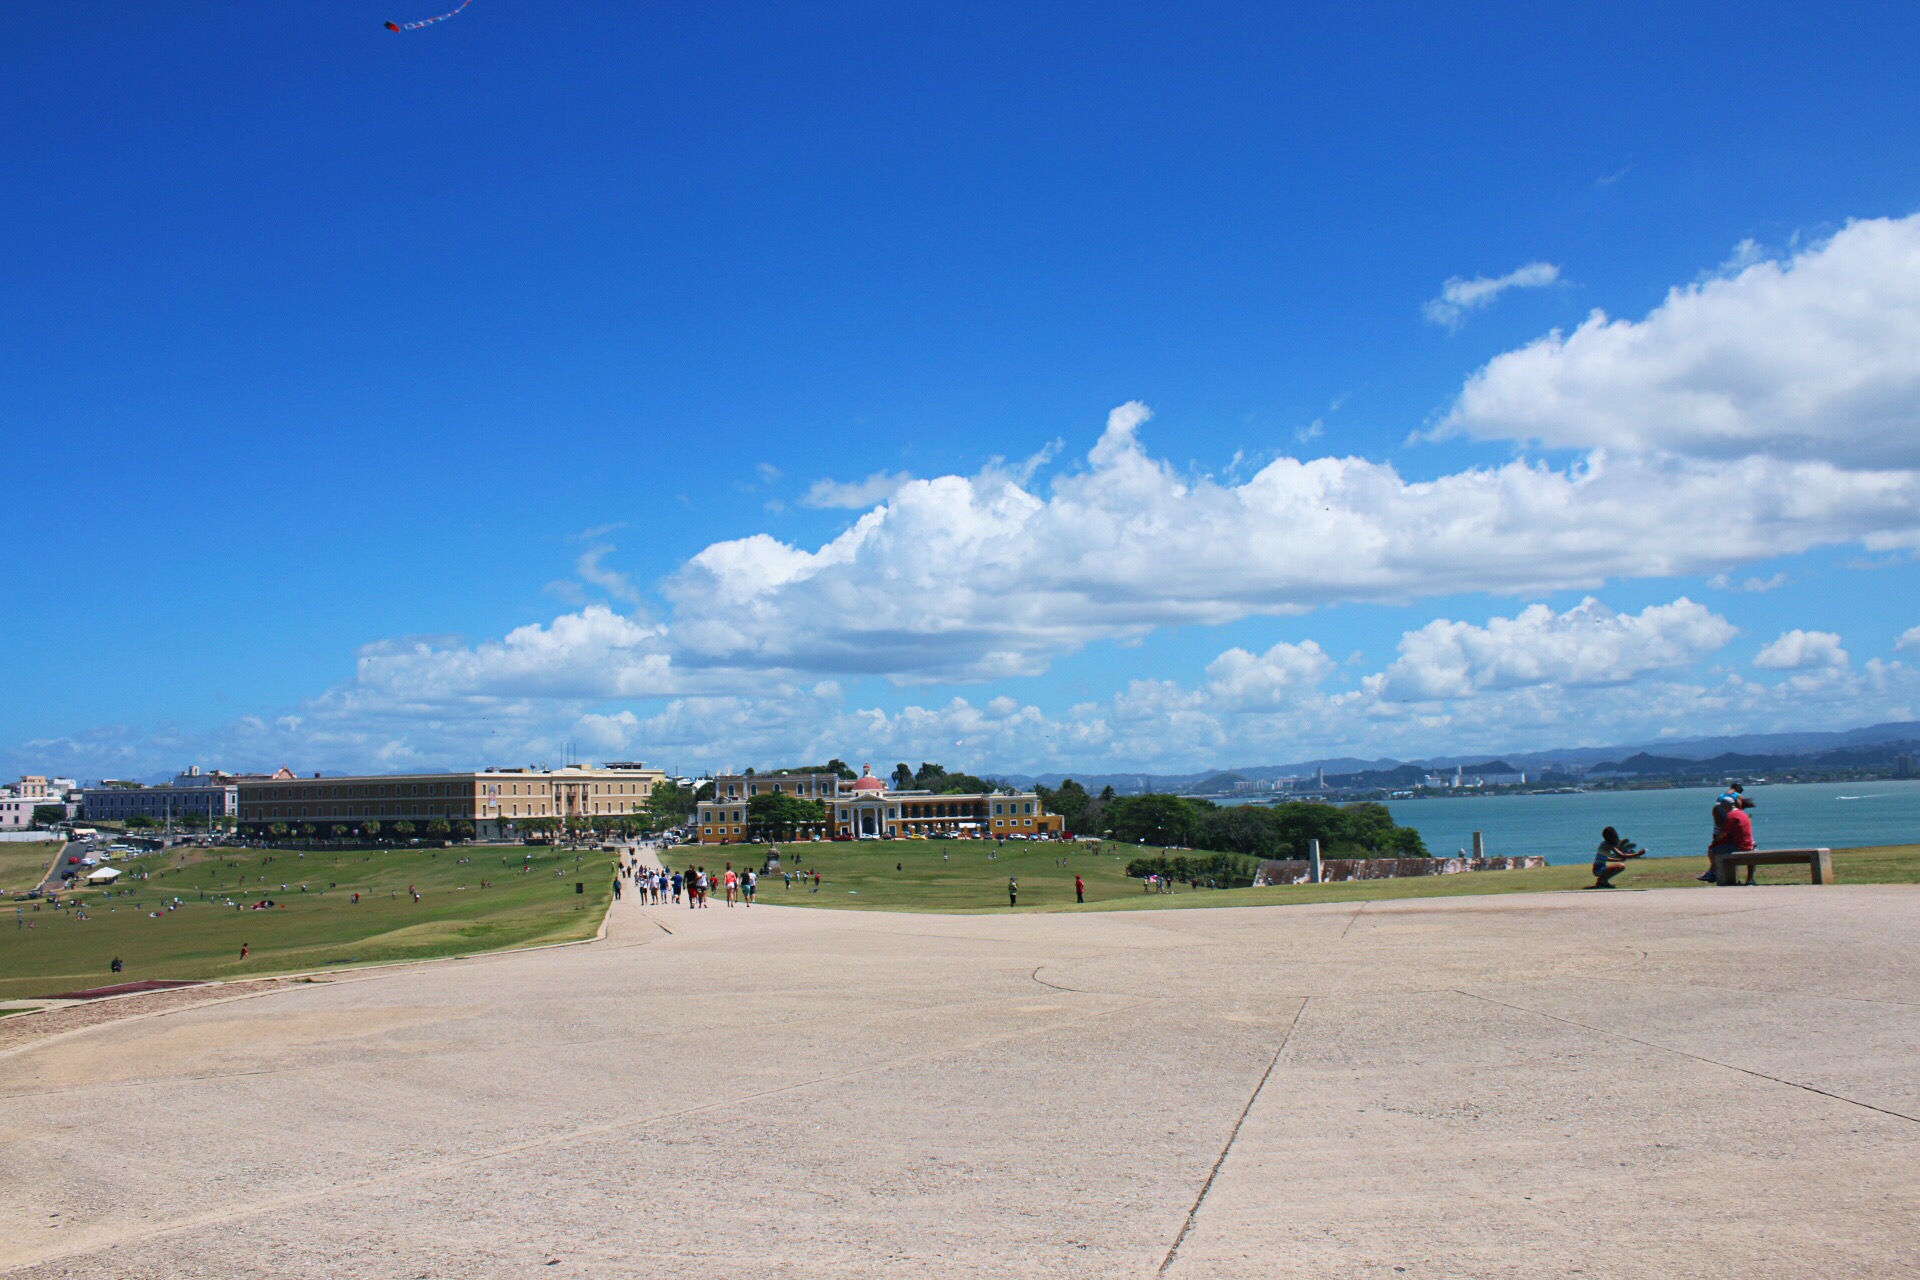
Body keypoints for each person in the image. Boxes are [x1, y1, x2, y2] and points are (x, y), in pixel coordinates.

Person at [1700, 789, 1757, 884]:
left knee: (1712, 851)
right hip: (1749, 845)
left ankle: (1714, 873)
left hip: (1739, 847)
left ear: (1725, 807)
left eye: (1722, 807)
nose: (1721, 809)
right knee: (1719, 848)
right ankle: (1749, 879)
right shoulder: (1742, 813)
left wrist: (1715, 842)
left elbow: (1723, 834)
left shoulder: (1731, 816)